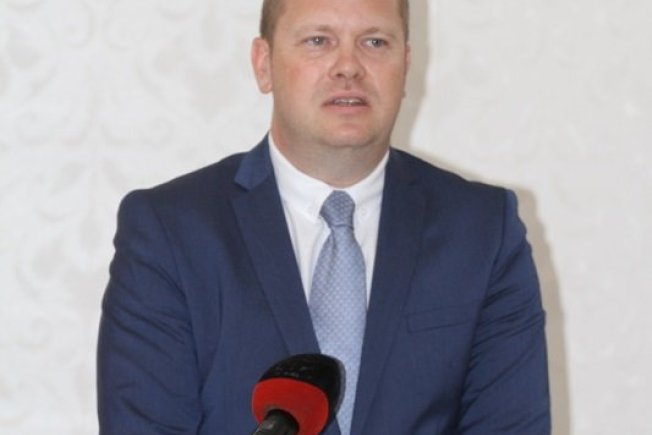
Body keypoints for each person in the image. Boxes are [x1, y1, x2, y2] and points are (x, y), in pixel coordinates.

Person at [97, 0, 551, 433]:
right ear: (263, 64)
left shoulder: (483, 232)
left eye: (375, 42)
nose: (348, 66)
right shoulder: (170, 231)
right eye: (318, 40)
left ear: (406, 65)